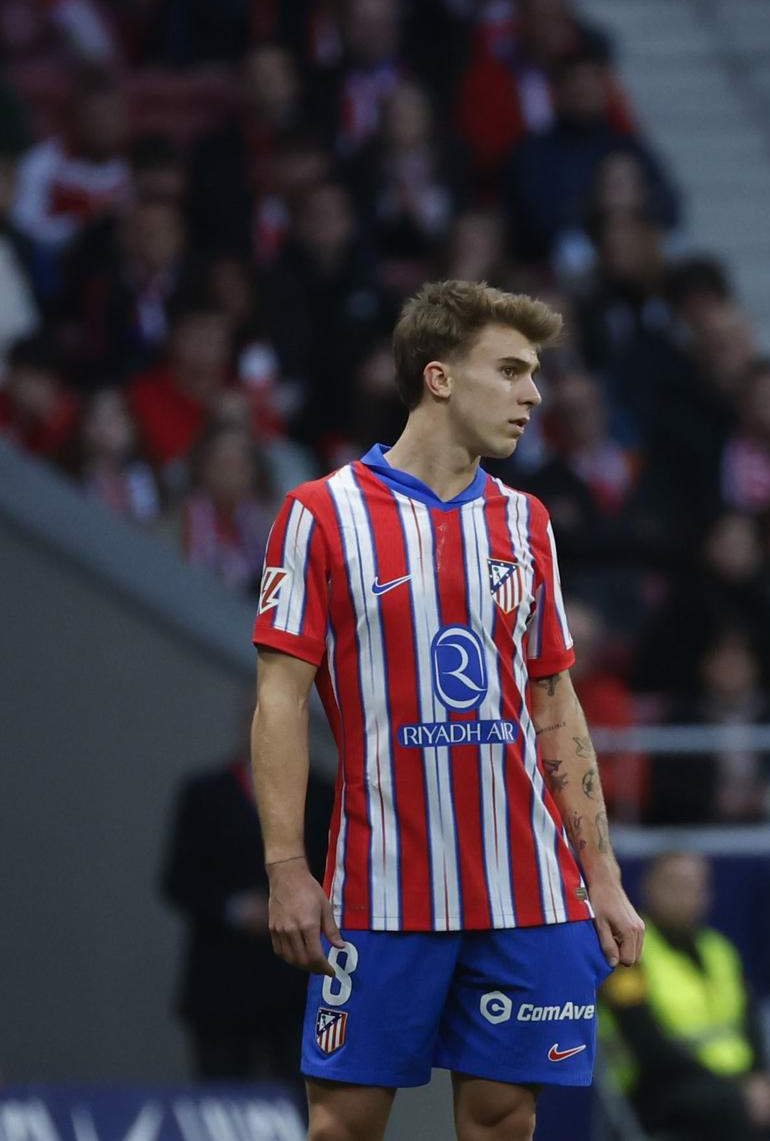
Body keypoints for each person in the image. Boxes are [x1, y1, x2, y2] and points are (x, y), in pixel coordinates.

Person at [250, 280, 644, 1141]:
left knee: (505, 1120)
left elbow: (554, 702)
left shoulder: (527, 522)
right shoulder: (321, 515)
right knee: (342, 1127)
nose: (533, 394)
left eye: (534, 374)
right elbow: (279, 699)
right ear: (438, 377)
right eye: (509, 371)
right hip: (384, 891)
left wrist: (602, 875)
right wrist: (286, 865)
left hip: (528, 889)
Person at [601, 851, 770, 1141]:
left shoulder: (720, 951)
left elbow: (752, 1025)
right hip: (661, 1090)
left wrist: (759, 1080)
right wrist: (738, 1090)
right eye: (675, 885)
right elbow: (647, 1045)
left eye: (696, 887)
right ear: (648, 887)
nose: (686, 896)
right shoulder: (627, 956)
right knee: (733, 1106)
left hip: (738, 1086)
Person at [163, 716, 333, 1083]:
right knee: (222, 1100)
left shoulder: (323, 795)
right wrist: (234, 910)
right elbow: (179, 880)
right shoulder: (206, 793)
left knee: (300, 1099)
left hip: (295, 984)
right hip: (222, 983)